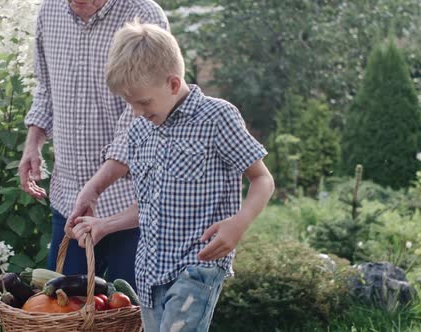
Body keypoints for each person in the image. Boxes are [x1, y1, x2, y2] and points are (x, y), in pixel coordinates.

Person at [69, 21, 275, 331]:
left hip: (198, 265)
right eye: (130, 103)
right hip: (150, 271)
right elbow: (149, 206)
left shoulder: (216, 117)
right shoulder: (141, 129)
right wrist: (104, 224)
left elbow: (263, 179)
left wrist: (239, 223)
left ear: (173, 83)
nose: (137, 112)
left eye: (144, 102)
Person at [18, 0, 168, 290]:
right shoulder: (50, 12)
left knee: (128, 313)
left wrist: (95, 186)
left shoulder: (144, 15)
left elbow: (140, 119)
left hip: (130, 209)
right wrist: (33, 144)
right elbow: (46, 89)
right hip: (70, 202)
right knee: (61, 310)